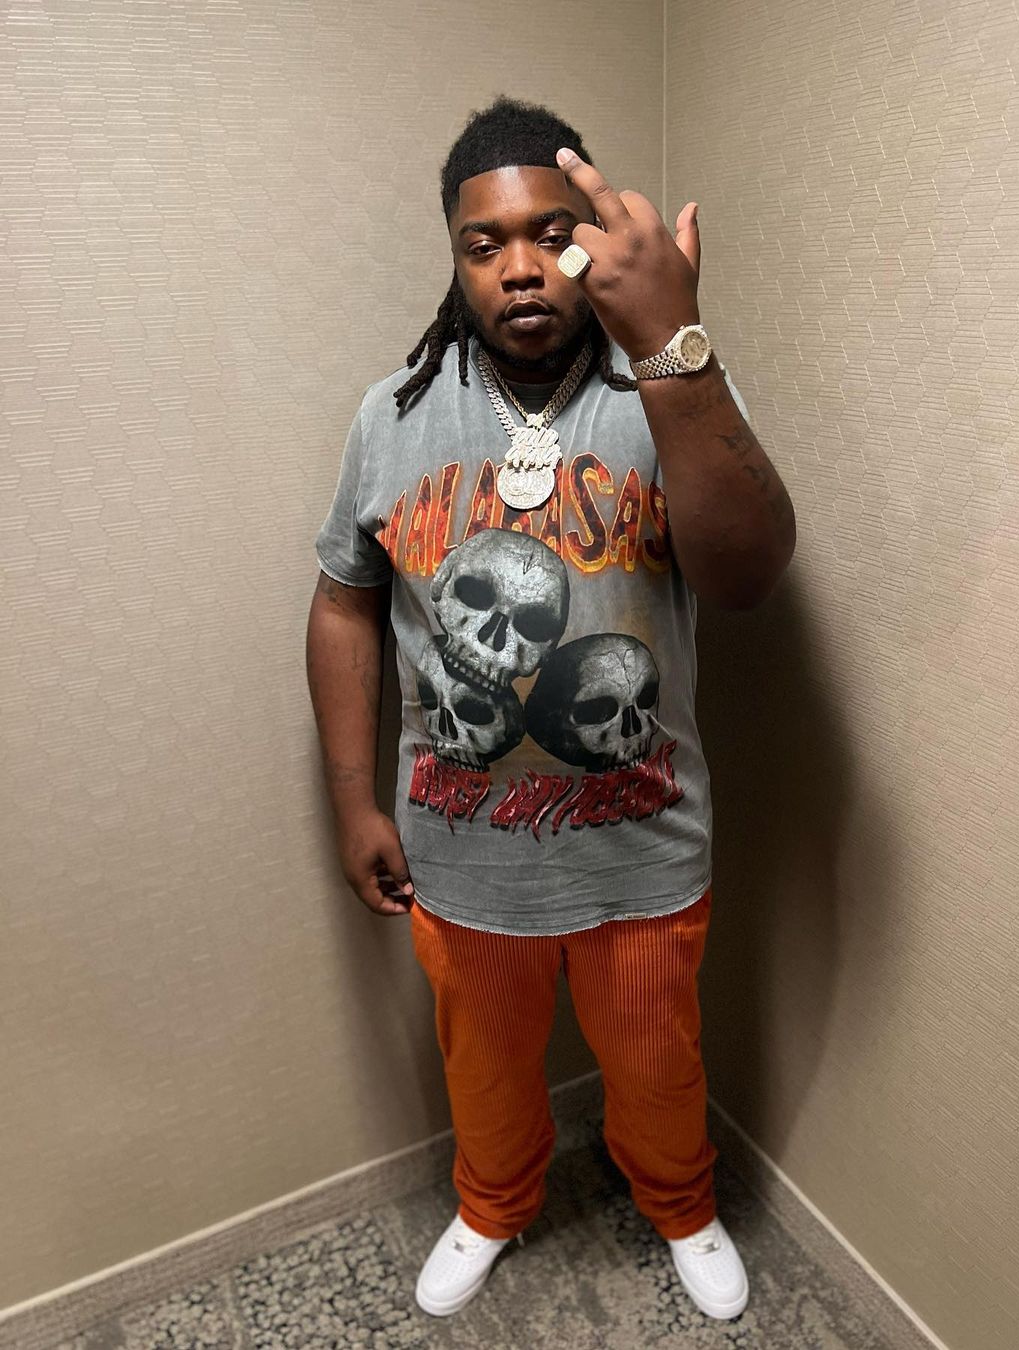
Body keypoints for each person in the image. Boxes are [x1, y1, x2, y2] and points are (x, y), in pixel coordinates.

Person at [306, 95, 795, 1323]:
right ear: (456, 259)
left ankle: (680, 1202)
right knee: (483, 1072)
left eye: (552, 232)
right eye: (486, 243)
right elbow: (344, 604)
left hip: (644, 849)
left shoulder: (661, 388)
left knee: (658, 1064)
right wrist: (354, 799)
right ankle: (492, 1200)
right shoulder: (392, 415)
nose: (520, 265)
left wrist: (675, 344)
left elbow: (746, 576)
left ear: (590, 242)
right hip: (460, 855)